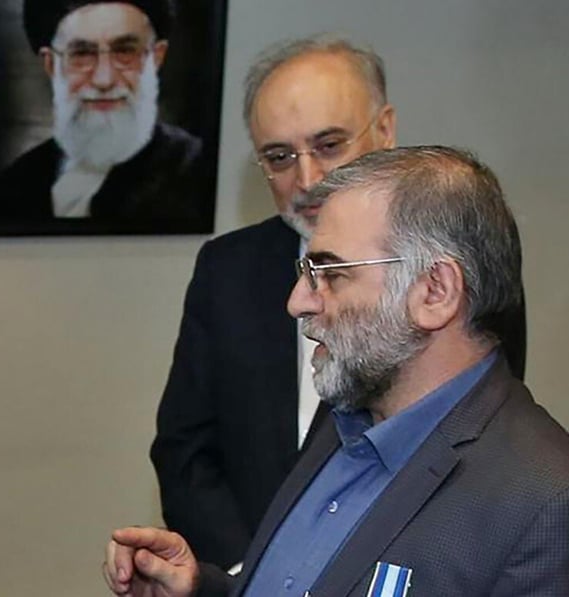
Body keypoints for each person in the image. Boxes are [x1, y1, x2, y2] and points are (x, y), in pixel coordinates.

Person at [104, 146, 569, 597]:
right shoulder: (344, 423)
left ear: (435, 292)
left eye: (332, 274)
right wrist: (202, 591)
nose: (298, 302)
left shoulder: (550, 506)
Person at [149, 34, 528, 570]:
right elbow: (185, 448)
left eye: (329, 145)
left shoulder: (452, 266)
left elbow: (474, 444)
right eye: (279, 157)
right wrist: (250, 572)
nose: (308, 180)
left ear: (386, 129)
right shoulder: (227, 267)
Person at [0, 0, 212, 234]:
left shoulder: (195, 170)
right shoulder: (16, 183)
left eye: (125, 51)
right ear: (51, 64)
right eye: (82, 54)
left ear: (156, 57)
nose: (104, 80)